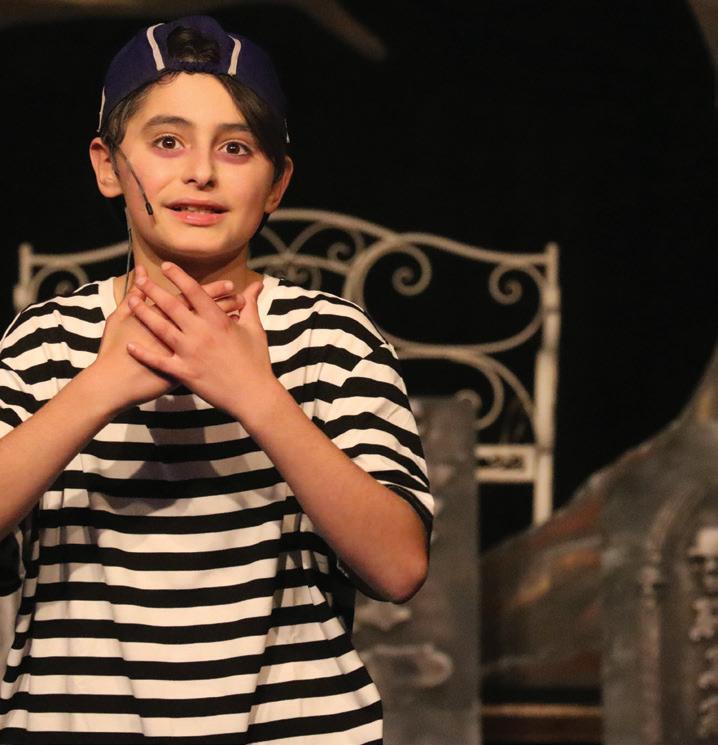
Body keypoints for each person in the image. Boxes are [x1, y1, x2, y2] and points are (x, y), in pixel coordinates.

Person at [0, 15, 432, 743]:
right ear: (108, 165)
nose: (200, 172)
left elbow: (398, 566)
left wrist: (253, 392)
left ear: (277, 182)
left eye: (236, 148)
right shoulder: (45, 339)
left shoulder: (331, 338)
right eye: (167, 142)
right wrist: (102, 385)